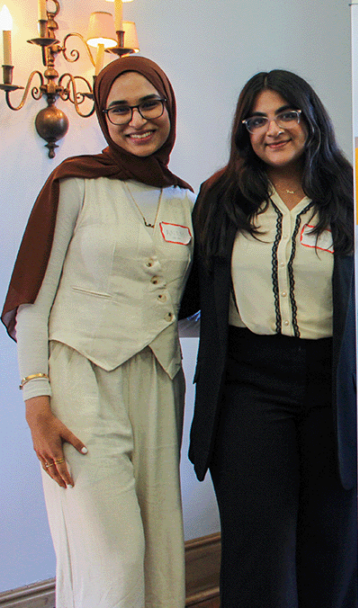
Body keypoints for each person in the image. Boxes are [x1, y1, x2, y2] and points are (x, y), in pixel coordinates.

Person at [3, 56, 193, 608]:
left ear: (168, 107)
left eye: (149, 104)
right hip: (80, 382)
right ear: (103, 116)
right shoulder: (76, 182)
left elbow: (185, 305)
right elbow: (33, 300)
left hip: (159, 384)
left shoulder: (185, 198)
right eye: (119, 108)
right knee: (113, 554)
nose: (137, 119)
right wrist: (36, 401)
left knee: (160, 549)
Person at [185, 70, 358, 608]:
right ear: (244, 132)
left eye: (286, 114)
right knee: (259, 543)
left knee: (330, 539)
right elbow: (185, 289)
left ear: (311, 119)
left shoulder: (353, 193)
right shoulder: (220, 196)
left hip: (332, 382)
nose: (272, 129)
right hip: (248, 384)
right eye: (256, 120)